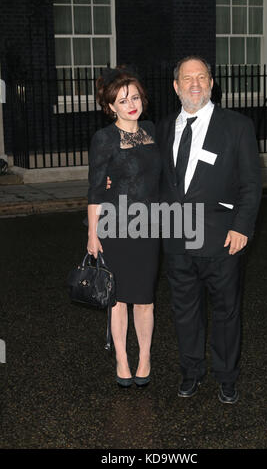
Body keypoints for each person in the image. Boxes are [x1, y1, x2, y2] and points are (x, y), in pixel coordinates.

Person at [156, 56, 262, 403]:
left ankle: (226, 376)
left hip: (222, 240)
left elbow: (250, 184)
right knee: (185, 312)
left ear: (212, 83)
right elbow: (152, 180)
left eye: (202, 77)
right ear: (176, 86)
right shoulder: (163, 127)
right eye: (188, 78)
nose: (195, 84)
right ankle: (191, 372)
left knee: (226, 311)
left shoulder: (236, 126)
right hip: (176, 240)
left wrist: (242, 227)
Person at [87, 67, 161, 388]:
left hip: (150, 227)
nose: (131, 104)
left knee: (144, 299)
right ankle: (122, 358)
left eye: (134, 97)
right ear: (111, 107)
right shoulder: (104, 139)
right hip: (115, 227)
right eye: (122, 100)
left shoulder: (152, 130)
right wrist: (93, 234)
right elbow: (95, 191)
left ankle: (144, 357)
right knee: (118, 300)